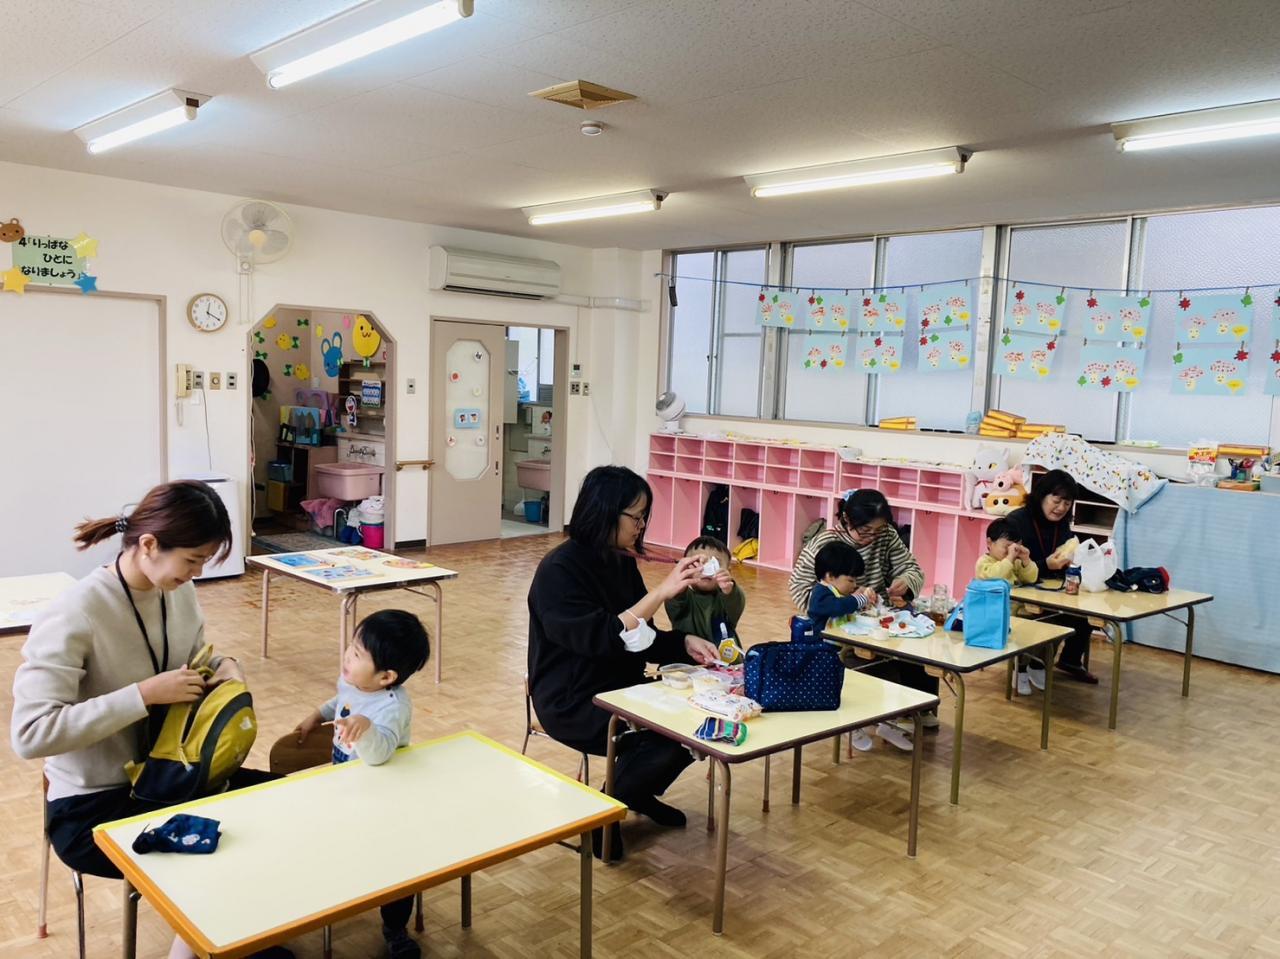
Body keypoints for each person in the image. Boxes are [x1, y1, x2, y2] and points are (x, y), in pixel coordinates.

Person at [10, 481, 291, 959]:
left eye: (205, 561)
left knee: (284, 808)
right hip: (94, 806)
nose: (198, 573)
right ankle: (212, 943)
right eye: (193, 560)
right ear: (148, 544)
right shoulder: (75, 612)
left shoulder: (176, 592)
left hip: (172, 776)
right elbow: (30, 734)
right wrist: (142, 695)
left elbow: (194, 657)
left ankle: (232, 935)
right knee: (226, 848)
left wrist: (224, 666)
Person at [527, 466, 720, 860]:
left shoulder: (619, 562)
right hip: (572, 699)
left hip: (621, 687)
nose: (641, 526)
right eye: (636, 516)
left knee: (697, 722)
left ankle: (631, 793)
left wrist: (684, 643)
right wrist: (661, 593)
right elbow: (602, 637)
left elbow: (641, 638)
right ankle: (607, 811)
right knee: (663, 737)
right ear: (605, 512)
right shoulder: (558, 570)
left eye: (644, 516)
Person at [294, 610, 430, 959]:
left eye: (356, 654)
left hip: (384, 796)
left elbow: (379, 755)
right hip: (346, 787)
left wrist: (365, 728)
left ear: (386, 676)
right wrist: (317, 715)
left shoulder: (392, 707)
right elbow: (341, 701)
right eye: (351, 647)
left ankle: (395, 928)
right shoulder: (354, 681)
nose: (347, 657)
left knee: (397, 862)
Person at [789, 489, 939, 737]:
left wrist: (905, 583)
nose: (872, 537)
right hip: (843, 622)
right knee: (876, 661)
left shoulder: (886, 535)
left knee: (916, 648)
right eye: (865, 531)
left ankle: (919, 708)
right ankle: (890, 715)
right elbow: (799, 587)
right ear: (847, 520)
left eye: (878, 530)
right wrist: (843, 602)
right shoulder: (826, 543)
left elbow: (910, 567)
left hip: (879, 614)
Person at [806, 541, 914, 752]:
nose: (854, 585)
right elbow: (838, 607)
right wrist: (859, 599)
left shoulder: (841, 591)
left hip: (851, 648)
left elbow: (850, 608)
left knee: (889, 670)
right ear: (830, 576)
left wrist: (869, 601)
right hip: (828, 655)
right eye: (850, 580)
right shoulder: (820, 594)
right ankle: (851, 724)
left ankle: (888, 722)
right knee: (858, 682)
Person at [1003, 469, 1098, 684]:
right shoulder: (1016, 521)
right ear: (1041, 496)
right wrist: (1045, 564)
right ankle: (1024, 666)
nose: (1061, 508)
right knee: (1051, 617)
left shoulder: (1062, 524)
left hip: (1049, 588)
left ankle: (1069, 661)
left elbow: (1062, 556)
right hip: (1018, 589)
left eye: (1067, 503)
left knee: (1084, 615)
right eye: (1056, 501)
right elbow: (1009, 568)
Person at [975, 517, 1040, 695]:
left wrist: (1026, 560)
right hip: (992, 614)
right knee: (1026, 629)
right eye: (1006, 547)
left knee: (1039, 626)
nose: (1011, 551)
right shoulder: (984, 562)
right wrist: (1010, 558)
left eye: (1015, 547)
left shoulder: (1014, 562)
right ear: (989, 543)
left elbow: (1031, 577)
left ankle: (1028, 665)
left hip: (1015, 610)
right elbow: (996, 576)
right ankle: (1019, 670)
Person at [664, 536, 745, 652]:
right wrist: (681, 581)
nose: (706, 568)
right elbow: (674, 600)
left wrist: (729, 589)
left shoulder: (726, 599)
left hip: (725, 660)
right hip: (687, 660)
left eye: (715, 562)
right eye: (698, 562)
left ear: (728, 571)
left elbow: (736, 603)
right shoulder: (684, 598)